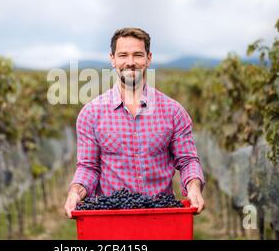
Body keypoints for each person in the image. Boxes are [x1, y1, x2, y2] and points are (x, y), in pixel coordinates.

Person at [64, 28, 205, 218]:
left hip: (160, 216)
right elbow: (89, 167)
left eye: (138, 55)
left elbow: (187, 160)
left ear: (148, 58)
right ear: (112, 59)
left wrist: (194, 187)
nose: (130, 62)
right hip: (111, 218)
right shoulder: (91, 114)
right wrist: (75, 192)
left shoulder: (174, 112)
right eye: (123, 55)